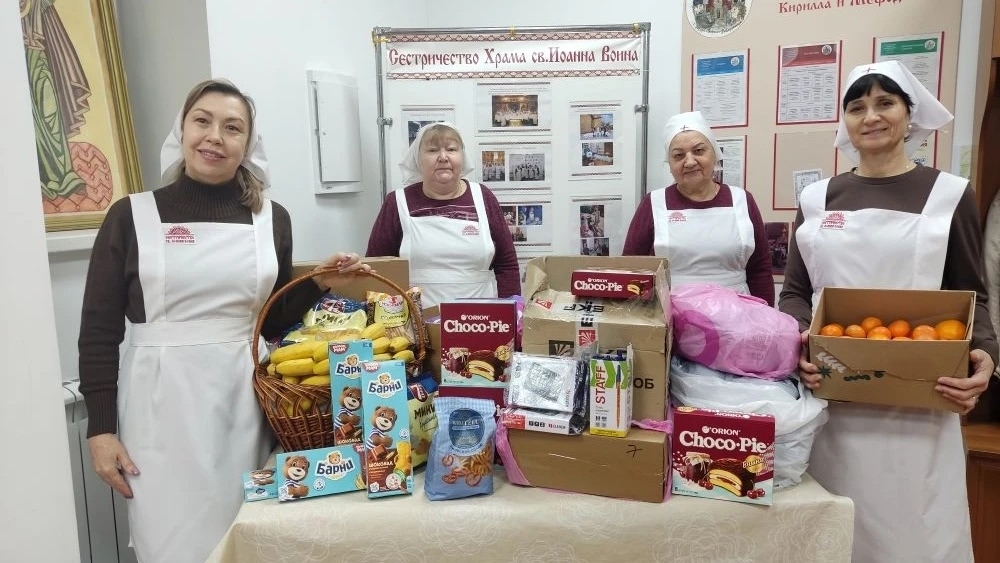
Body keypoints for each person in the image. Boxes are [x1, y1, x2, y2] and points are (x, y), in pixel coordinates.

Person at [77, 79, 370, 563]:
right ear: (182, 130)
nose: (215, 136)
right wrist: (101, 429)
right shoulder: (131, 216)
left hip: (245, 404)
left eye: (232, 128)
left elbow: (269, 322)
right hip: (158, 410)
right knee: (171, 542)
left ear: (248, 144)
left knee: (251, 538)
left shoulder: (272, 219)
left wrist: (318, 282)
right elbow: (98, 331)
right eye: (203, 121)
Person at [778, 60, 998, 563]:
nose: (871, 116)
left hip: (918, 399)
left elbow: (972, 293)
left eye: (885, 103)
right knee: (835, 533)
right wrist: (799, 342)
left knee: (913, 536)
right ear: (846, 121)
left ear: (908, 113)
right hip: (835, 399)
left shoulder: (950, 194)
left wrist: (985, 353)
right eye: (857, 107)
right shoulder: (817, 199)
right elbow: (795, 293)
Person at [622, 110, 774, 305]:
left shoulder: (742, 200)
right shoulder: (653, 203)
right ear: (670, 164)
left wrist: (766, 316)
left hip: (737, 314)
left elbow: (760, 270)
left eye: (699, 151)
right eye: (678, 155)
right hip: (672, 315)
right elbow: (631, 270)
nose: (690, 161)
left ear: (715, 154)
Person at [365, 122, 520, 308]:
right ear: (418, 159)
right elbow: (377, 268)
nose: (443, 157)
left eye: (451, 149)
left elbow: (506, 265)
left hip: (482, 319)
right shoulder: (397, 202)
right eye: (432, 150)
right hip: (416, 320)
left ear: (462, 156)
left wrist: (513, 313)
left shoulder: (483, 197)